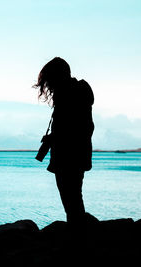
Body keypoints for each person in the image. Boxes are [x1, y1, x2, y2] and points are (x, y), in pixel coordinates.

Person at [34, 57, 95, 227]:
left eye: (49, 80)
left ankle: (78, 241)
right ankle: (78, 238)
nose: (48, 86)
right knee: (73, 201)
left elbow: (78, 128)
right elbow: (80, 128)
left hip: (70, 158)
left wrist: (53, 138)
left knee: (72, 201)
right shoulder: (75, 93)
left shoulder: (71, 95)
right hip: (74, 156)